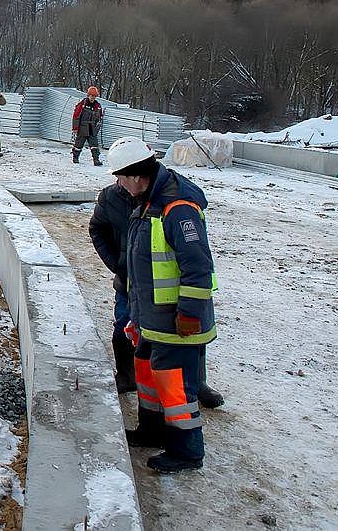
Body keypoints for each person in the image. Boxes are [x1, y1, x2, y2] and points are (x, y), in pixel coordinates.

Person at [106, 137, 219, 474]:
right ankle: (151, 430)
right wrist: (137, 316)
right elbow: (146, 268)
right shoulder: (147, 200)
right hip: (152, 318)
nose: (119, 185)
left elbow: (197, 267)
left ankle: (187, 451)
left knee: (175, 388)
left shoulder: (178, 208)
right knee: (146, 372)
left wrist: (188, 314)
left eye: (121, 178)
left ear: (137, 175)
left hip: (176, 323)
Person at [88, 181, 137, 393]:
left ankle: (196, 383)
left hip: (163, 283)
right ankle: (126, 376)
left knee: (179, 336)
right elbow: (97, 229)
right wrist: (117, 263)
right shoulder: (111, 196)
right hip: (128, 279)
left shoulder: (165, 194)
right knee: (123, 327)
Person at [72, 86, 104, 165]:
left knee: (94, 145)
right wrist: (75, 128)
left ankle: (96, 160)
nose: (93, 97)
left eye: (94, 96)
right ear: (88, 95)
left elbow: (99, 118)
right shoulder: (82, 104)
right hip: (82, 128)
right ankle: (75, 158)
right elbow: (76, 116)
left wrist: (96, 129)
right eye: (92, 95)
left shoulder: (98, 106)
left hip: (92, 129)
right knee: (78, 144)